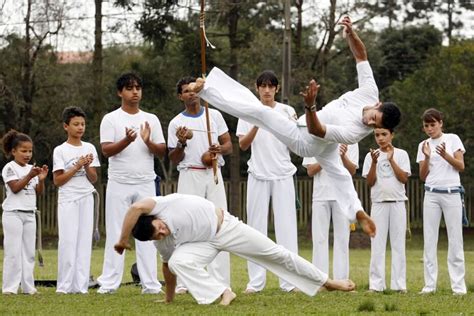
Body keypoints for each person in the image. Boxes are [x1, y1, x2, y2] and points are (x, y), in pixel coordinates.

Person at [189, 16, 401, 234]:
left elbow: (316, 130)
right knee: (340, 175)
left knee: (261, 111)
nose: (369, 123)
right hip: (323, 142)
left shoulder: (357, 132)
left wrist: (309, 107)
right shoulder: (369, 91)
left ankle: (206, 90)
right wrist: (351, 34)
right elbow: (361, 56)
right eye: (374, 117)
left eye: (374, 126)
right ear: (378, 104)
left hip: (307, 141)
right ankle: (357, 211)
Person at [114, 193, 356, 305]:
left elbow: (134, 208)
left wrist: (122, 239)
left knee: (276, 253)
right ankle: (223, 292)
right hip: (203, 244)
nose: (163, 233)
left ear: (155, 217)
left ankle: (327, 281)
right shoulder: (160, 241)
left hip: (226, 227)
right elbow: (168, 268)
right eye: (158, 235)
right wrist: (168, 300)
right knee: (176, 262)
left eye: (160, 228)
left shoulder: (159, 204)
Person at [97, 73, 166, 294]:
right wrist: (127, 140)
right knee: (117, 232)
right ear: (120, 92)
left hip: (145, 182)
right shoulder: (111, 119)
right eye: (129, 88)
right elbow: (106, 150)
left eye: (138, 87)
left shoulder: (151, 119)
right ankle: (109, 283)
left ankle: (150, 284)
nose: (135, 91)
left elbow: (162, 152)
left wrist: (147, 141)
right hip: (119, 182)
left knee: (147, 232)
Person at [167, 76, 232, 293]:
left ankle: (221, 279)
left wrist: (217, 150)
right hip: (189, 175)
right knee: (187, 226)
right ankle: (186, 281)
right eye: (186, 91)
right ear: (180, 96)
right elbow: (174, 158)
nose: (191, 94)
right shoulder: (176, 123)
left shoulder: (214, 115)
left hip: (213, 173)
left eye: (193, 90)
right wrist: (182, 142)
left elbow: (229, 145)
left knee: (220, 223)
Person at [236, 70, 299, 294]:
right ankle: (255, 283)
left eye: (271, 86)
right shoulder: (248, 111)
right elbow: (243, 145)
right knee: (255, 230)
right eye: (262, 86)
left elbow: (296, 143)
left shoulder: (287, 111)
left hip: (283, 175)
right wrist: (257, 121)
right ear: (257, 88)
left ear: (277, 89)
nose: (266, 90)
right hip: (257, 175)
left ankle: (290, 282)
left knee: (287, 229)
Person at [416, 108, 466, 295]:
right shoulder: (423, 145)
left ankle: (459, 287)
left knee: (455, 240)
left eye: (433, 124)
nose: (430, 129)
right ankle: (429, 286)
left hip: (452, 193)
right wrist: (427, 157)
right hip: (431, 195)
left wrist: (446, 155)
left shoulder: (453, 139)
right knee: (429, 240)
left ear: (441, 123)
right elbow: (422, 176)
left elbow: (461, 166)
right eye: (426, 125)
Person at [53, 106, 100, 294]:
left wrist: (87, 166)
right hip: (68, 199)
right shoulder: (60, 150)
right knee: (68, 241)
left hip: (86, 197)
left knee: (83, 242)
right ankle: (64, 286)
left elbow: (94, 178)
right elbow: (58, 181)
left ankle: (81, 286)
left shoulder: (89, 148)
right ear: (66, 126)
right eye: (76, 124)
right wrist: (76, 166)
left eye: (82, 124)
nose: (80, 128)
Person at [362, 128, 410, 293]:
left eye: (384, 134)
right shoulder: (371, 156)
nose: (381, 138)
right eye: (377, 135)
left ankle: (399, 285)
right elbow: (369, 182)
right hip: (378, 204)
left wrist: (391, 160)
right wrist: (375, 163)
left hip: (397, 203)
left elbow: (404, 179)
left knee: (398, 245)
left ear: (392, 135)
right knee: (377, 245)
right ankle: (376, 285)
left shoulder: (402, 154)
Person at [1, 130, 48, 295]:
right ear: (14, 151)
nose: (27, 154)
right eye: (23, 151)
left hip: (30, 214)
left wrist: (41, 180)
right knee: (13, 252)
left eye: (30, 151)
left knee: (28, 252)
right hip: (13, 214)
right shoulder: (10, 167)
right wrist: (30, 175)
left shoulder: (32, 169)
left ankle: (28, 287)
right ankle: (9, 288)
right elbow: (15, 188)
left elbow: (38, 192)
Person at [303, 143, 358, 280]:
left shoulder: (349, 139)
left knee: (342, 239)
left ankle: (342, 279)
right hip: (320, 196)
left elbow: (352, 171)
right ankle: (320, 280)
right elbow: (310, 171)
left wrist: (343, 156)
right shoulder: (314, 138)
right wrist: (328, 156)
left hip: (342, 195)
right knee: (319, 239)